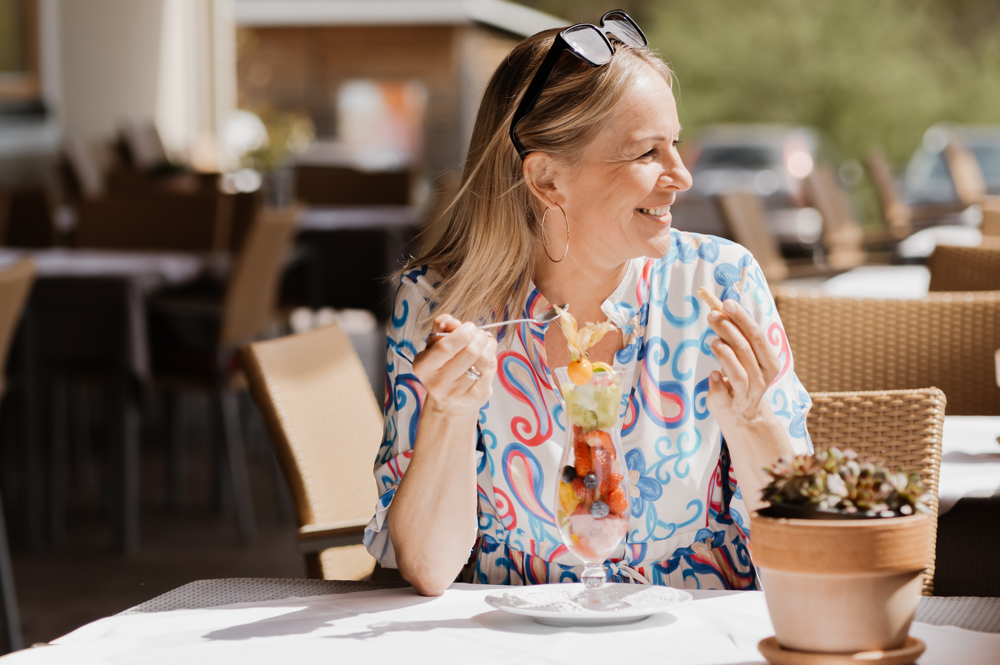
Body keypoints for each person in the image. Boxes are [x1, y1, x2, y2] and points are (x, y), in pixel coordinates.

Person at [364, 11, 812, 596]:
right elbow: (426, 568)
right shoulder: (440, 308)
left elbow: (807, 541)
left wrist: (754, 423)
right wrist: (449, 414)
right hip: (517, 643)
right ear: (547, 178)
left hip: (693, 638)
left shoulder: (719, 284)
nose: (681, 176)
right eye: (647, 152)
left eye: (674, 144)